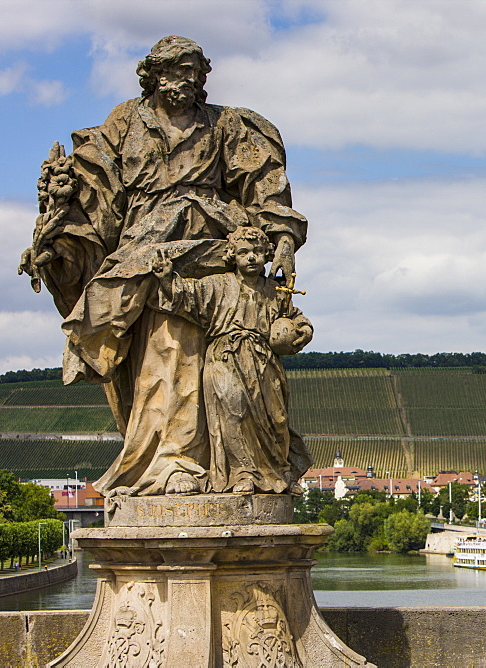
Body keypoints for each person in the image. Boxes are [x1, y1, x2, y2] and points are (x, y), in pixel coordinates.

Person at [18, 36, 310, 496]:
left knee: (216, 355)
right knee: (162, 349)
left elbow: (263, 183)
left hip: (214, 248)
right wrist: (59, 228)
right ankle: (169, 461)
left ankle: (224, 464)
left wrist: (285, 237)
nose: (187, 79)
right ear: (152, 75)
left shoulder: (225, 125)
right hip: (147, 253)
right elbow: (94, 192)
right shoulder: (125, 123)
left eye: (194, 70)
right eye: (176, 70)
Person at [152, 226, 312, 494]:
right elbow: (186, 297)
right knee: (233, 415)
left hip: (264, 361)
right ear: (232, 255)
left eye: (258, 252)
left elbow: (296, 316)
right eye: (244, 252)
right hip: (225, 357)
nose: (251, 257)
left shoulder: (276, 290)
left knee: (277, 419)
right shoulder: (218, 284)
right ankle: (242, 474)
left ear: (267, 255)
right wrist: (167, 279)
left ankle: (279, 474)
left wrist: (304, 330)